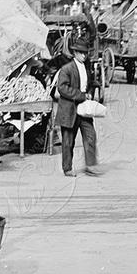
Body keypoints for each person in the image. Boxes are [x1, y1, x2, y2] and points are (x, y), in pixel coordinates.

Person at [54, 37, 100, 177]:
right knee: (68, 141)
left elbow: (91, 84)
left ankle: (90, 165)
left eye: (85, 53)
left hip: (84, 110)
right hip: (69, 109)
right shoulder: (67, 69)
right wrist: (81, 95)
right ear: (75, 53)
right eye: (81, 53)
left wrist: (90, 94)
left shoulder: (87, 68)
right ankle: (67, 168)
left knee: (90, 136)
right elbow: (62, 88)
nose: (84, 55)